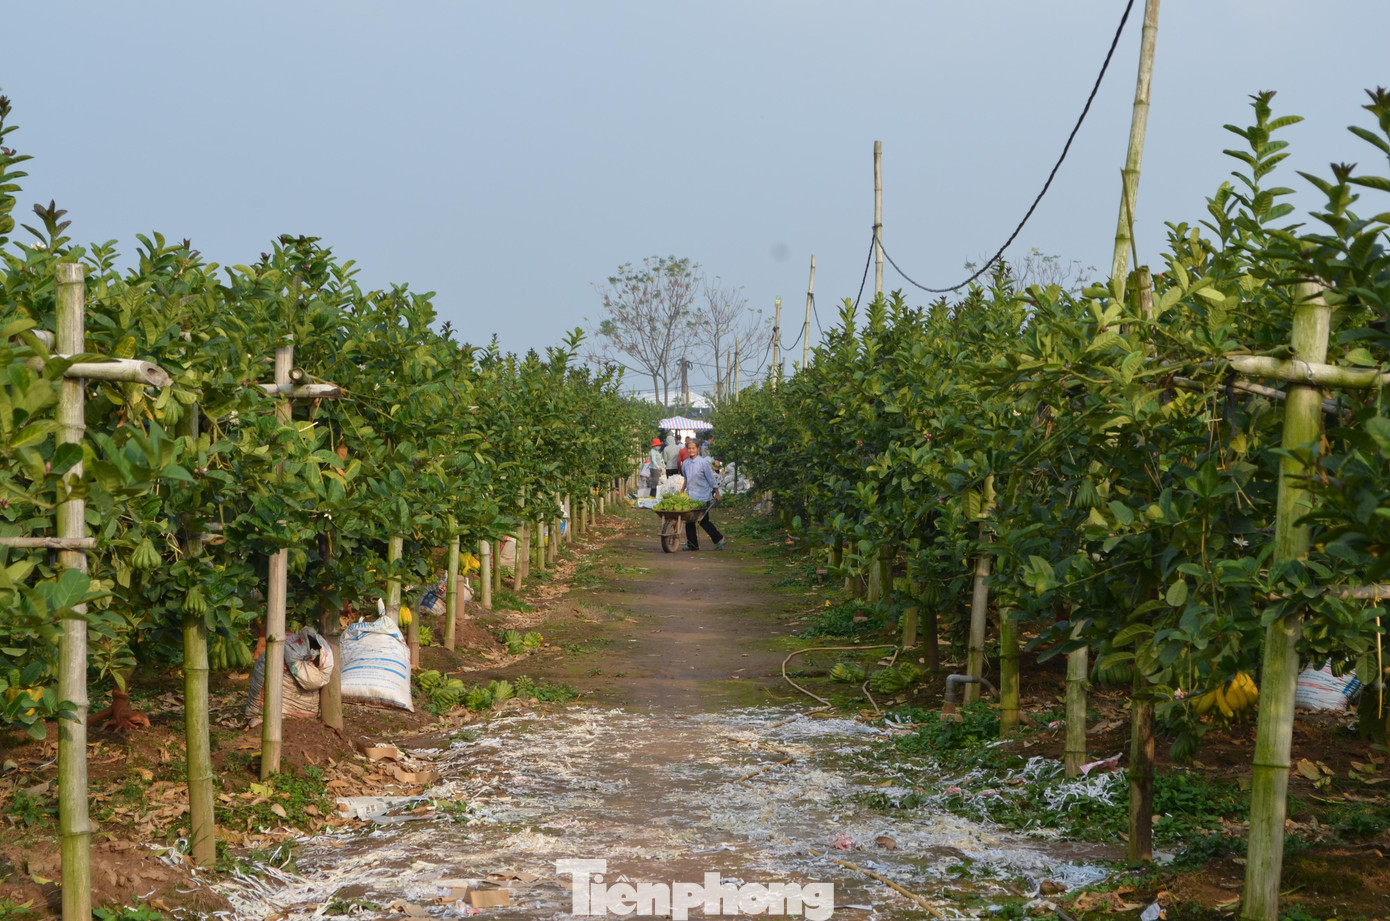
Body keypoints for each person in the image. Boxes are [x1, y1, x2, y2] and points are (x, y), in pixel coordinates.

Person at [679, 447, 725, 551]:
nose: (691, 450)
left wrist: (717, 493)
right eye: (689, 448)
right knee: (689, 520)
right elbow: (686, 479)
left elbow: (711, 479)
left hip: (702, 496)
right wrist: (682, 489)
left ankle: (719, 538)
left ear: (698, 449)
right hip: (691, 496)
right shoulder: (685, 463)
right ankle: (692, 545)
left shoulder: (703, 463)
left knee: (703, 521)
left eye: (693, 448)